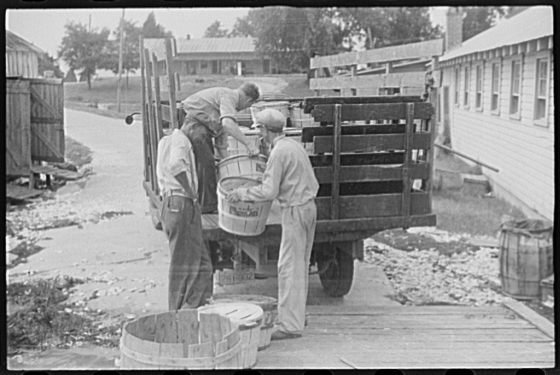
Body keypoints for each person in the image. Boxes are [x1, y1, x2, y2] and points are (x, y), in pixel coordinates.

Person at [226, 109, 319, 340]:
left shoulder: (279, 152)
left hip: (295, 210)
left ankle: (290, 325)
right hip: (308, 207)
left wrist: (242, 192)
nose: (259, 133)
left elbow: (269, 191)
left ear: (266, 130)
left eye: (259, 129)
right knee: (300, 264)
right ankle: (297, 314)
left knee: (289, 268)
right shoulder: (293, 145)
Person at [156, 111, 214, 310]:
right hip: (181, 201)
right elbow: (176, 166)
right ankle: (178, 314)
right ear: (192, 126)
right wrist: (191, 191)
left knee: (203, 265)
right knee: (184, 265)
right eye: (201, 133)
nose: (201, 138)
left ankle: (196, 308)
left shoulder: (167, 140)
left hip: (171, 202)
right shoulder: (182, 141)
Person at [182, 83, 261, 213]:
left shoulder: (227, 105)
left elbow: (221, 145)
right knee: (207, 166)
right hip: (194, 126)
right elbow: (228, 124)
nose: (246, 108)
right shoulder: (229, 97)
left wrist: (232, 169)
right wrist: (249, 144)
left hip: (200, 128)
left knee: (211, 164)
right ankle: (207, 208)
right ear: (249, 101)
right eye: (249, 106)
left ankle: (206, 203)